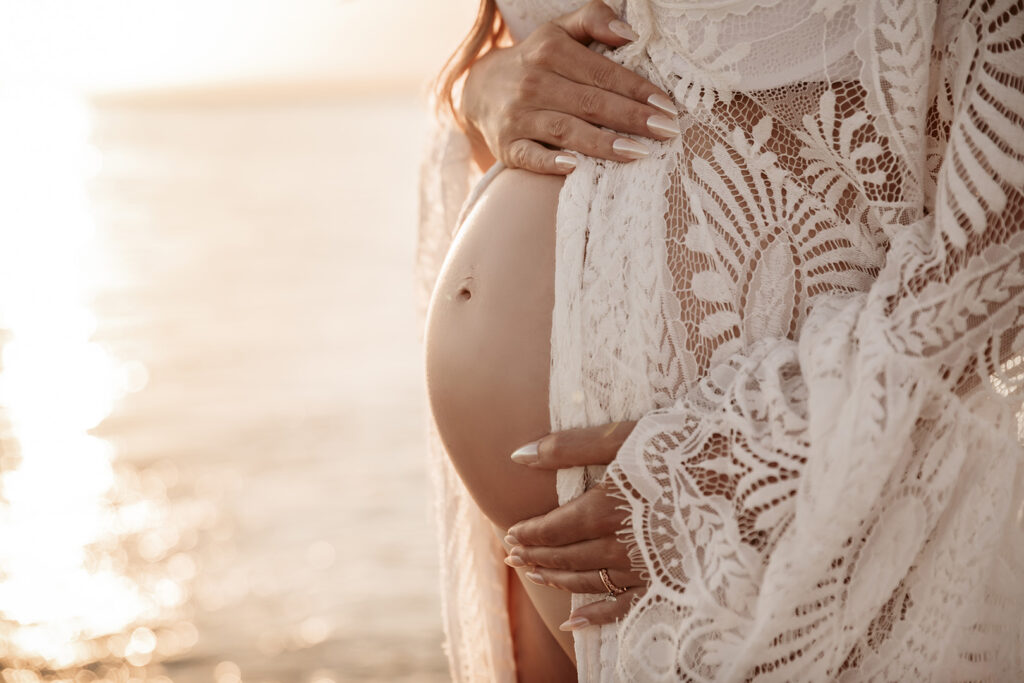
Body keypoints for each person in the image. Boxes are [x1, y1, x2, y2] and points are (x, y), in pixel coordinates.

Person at [418, 0, 1024, 681]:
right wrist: (484, 87)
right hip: (539, 541)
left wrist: (750, 465)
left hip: (781, 495)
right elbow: (529, 62)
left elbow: (1001, 240)